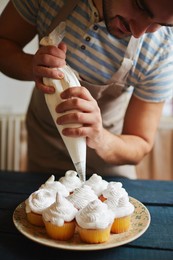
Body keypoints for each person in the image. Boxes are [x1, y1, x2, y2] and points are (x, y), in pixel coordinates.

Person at [0, 0, 173, 179]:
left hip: (107, 169)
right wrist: (32, 67)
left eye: (159, 24)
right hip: (43, 155)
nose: (139, 32)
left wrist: (100, 137)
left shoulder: (162, 50)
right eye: (140, 6)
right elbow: (3, 42)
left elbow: (141, 144)